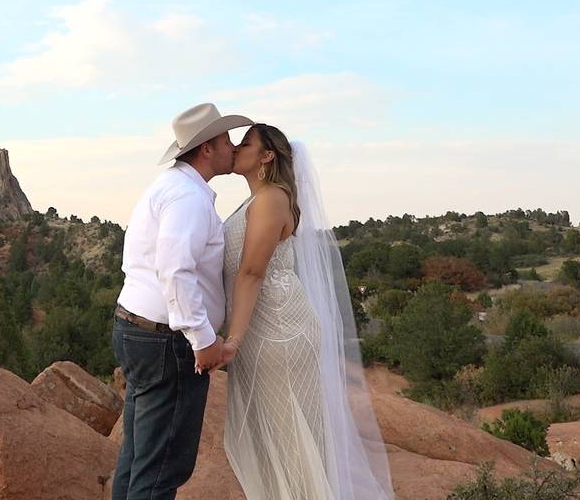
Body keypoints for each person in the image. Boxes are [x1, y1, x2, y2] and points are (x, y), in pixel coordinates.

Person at [221, 123, 394, 500]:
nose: (236, 148)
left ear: (267, 156)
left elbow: (252, 271)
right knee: (273, 439)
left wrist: (231, 339)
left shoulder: (272, 198)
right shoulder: (255, 200)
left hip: (279, 330)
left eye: (245, 143)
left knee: (291, 440)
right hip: (258, 328)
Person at [111, 102, 253, 500]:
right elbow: (175, 269)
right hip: (166, 341)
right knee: (161, 468)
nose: (232, 147)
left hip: (138, 328)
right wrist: (202, 337)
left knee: (139, 456)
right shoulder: (187, 196)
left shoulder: (170, 187)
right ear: (206, 148)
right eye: (226, 140)